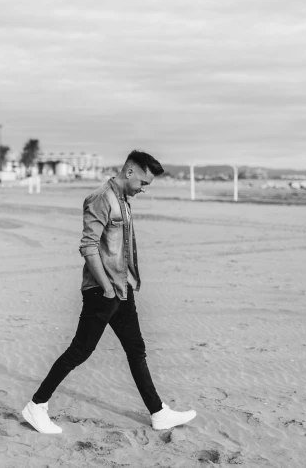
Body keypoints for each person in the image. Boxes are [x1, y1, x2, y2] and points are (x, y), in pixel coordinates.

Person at [22, 150, 197, 434]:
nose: (143, 188)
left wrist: (123, 285)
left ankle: (158, 412)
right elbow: (88, 246)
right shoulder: (101, 199)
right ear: (130, 172)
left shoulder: (124, 200)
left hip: (122, 288)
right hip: (102, 291)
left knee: (136, 349)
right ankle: (36, 406)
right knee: (80, 350)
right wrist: (105, 287)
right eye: (143, 182)